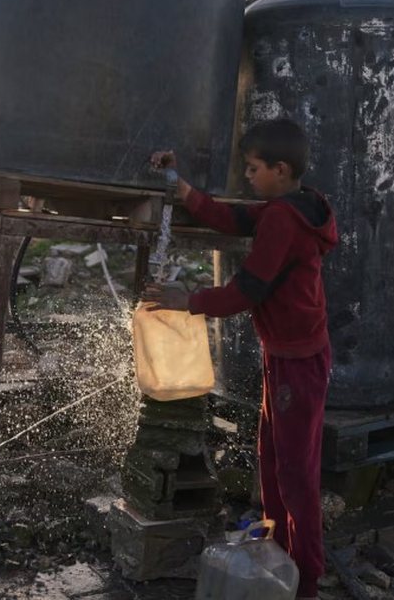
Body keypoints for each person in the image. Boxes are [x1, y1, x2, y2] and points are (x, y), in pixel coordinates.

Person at [144, 118, 337, 600]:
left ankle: (306, 579)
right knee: (272, 461)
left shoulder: (284, 220)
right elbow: (233, 220)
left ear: (280, 169)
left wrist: (186, 299)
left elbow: (247, 290)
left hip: (298, 362)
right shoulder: (285, 206)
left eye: (253, 169)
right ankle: (278, 554)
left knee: (295, 472)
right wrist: (182, 187)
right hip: (288, 356)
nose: (246, 176)